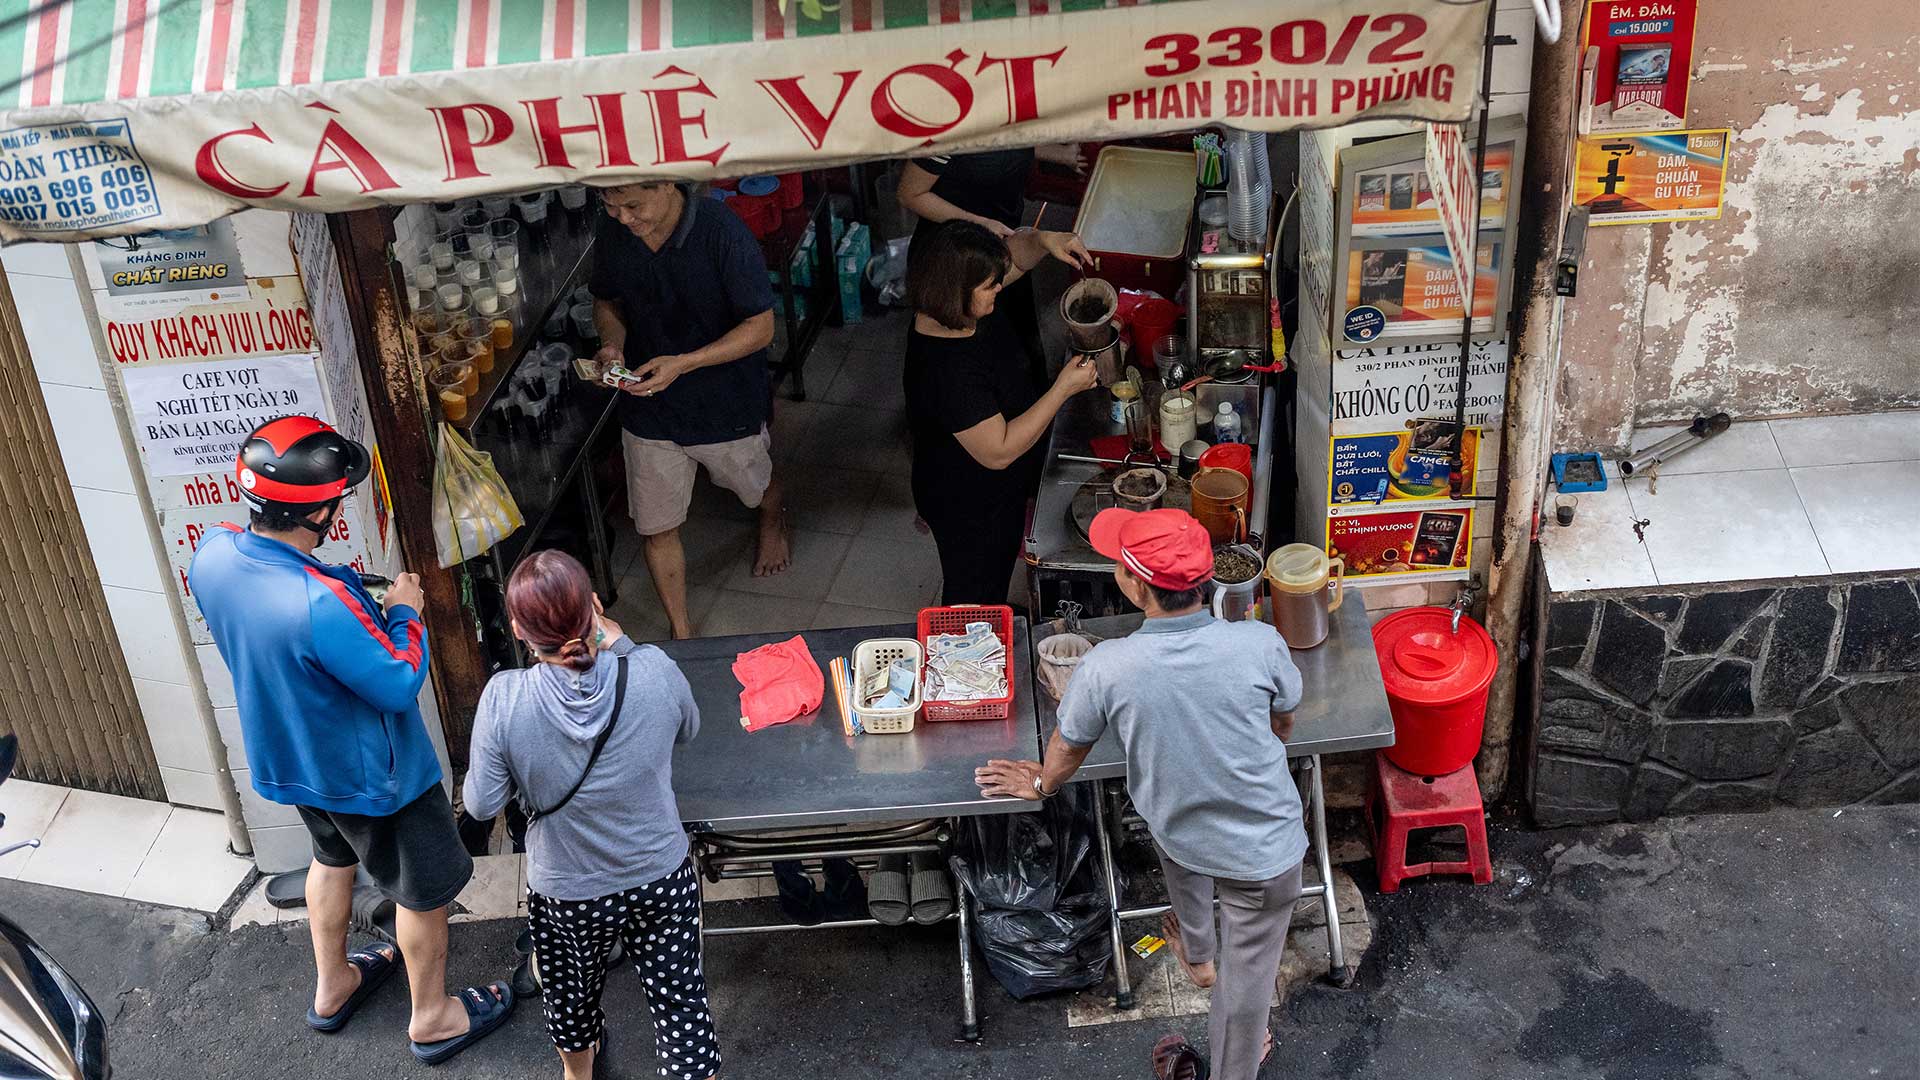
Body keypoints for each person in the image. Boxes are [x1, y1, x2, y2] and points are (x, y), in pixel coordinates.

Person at [189, 416, 513, 1066]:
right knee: (423, 893)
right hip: (379, 779)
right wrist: (403, 612)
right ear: (320, 512)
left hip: (295, 761)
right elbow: (396, 682)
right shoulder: (319, 602)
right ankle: (433, 1018)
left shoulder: (213, 554)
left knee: (331, 860)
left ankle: (334, 983)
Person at [975, 508, 1306, 1080]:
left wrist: (1041, 782)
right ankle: (1206, 969)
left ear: (1134, 586)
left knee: (1190, 873)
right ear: (1205, 582)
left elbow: (1068, 743)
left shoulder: (1109, 665)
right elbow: (1284, 718)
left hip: (1180, 832)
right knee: (1247, 983)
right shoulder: (1259, 642)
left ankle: (1215, 1007)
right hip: (1267, 853)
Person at [464, 550, 717, 1080]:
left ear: (518, 629)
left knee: (570, 998)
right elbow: (690, 730)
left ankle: (579, 1075)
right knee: (681, 1006)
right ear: (594, 608)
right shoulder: (652, 670)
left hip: (568, 892)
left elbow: (482, 804)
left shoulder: (504, 700)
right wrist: (620, 643)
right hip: (660, 876)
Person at [591, 180, 789, 639]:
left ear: (665, 184)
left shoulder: (722, 233)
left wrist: (685, 363)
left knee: (752, 486)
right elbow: (606, 301)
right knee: (657, 525)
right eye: (612, 206)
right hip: (648, 405)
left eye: (634, 205)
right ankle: (684, 634)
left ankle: (773, 511)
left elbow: (760, 328)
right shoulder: (615, 230)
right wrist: (612, 345)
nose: (624, 218)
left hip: (723, 401)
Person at [903, 220, 1100, 606]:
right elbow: (999, 450)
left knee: (997, 566)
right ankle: (972, 640)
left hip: (996, 489)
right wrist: (1063, 388)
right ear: (958, 291)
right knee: (974, 586)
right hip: (967, 499)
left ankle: (993, 610)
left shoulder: (957, 309)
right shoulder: (948, 371)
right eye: (991, 285)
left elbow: (1018, 260)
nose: (1000, 288)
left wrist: (1045, 239)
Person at [897, 145, 1087, 382]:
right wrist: (980, 223)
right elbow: (909, 194)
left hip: (1001, 245)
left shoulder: (1011, 115)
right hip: (956, 260)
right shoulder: (949, 127)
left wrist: (1057, 153)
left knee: (1019, 354)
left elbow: (1007, 142)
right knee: (967, 367)